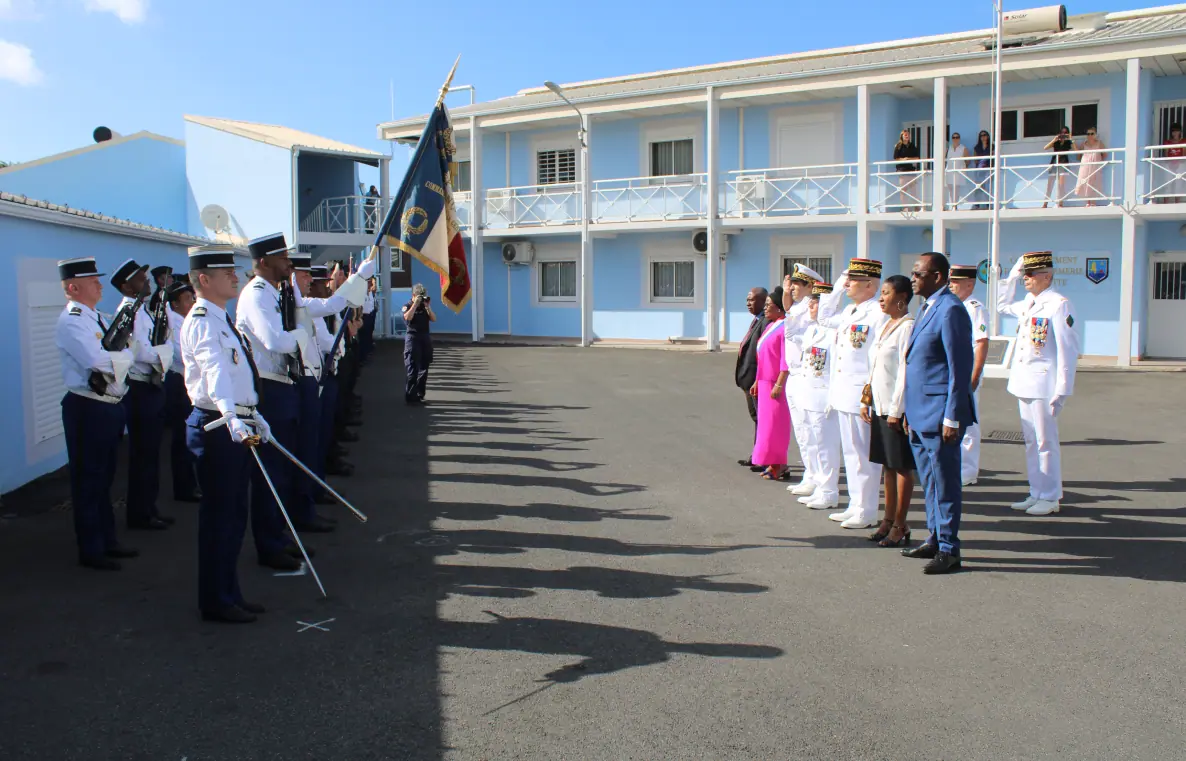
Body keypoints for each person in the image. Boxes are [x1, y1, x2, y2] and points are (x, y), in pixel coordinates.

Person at [181, 243, 271, 623]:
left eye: (234, 271)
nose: (236, 276)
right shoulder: (202, 318)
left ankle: (229, 592)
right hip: (218, 428)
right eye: (226, 273)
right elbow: (214, 371)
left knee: (235, 515)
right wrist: (233, 416)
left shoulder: (219, 316)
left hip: (234, 423)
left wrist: (252, 414)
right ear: (204, 279)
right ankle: (216, 600)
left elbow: (237, 374)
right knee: (221, 518)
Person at [55, 257, 138, 570]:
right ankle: (91, 550)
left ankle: (108, 540)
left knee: (104, 479)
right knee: (89, 481)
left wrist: (122, 355)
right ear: (74, 288)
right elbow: (100, 361)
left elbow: (129, 348)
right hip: (88, 407)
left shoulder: (97, 316)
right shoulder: (73, 320)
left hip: (109, 406)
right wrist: (124, 355)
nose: (100, 285)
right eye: (92, 281)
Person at [236, 233, 311, 570]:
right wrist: (302, 336)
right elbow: (274, 340)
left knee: (283, 470)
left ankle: (278, 535)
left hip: (282, 387)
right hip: (268, 391)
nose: (288, 262)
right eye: (282, 257)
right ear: (264, 262)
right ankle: (268, 545)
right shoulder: (255, 295)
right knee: (270, 472)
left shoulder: (273, 292)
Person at [902, 252, 975, 575]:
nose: (913, 278)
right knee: (929, 482)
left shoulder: (951, 310)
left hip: (940, 414)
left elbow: (959, 369)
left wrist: (952, 416)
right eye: (914, 272)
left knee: (945, 483)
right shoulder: (927, 307)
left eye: (919, 273)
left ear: (937, 276)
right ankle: (934, 537)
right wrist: (907, 410)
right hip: (919, 412)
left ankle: (949, 548)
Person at [998, 251, 1080, 516]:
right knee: (1032, 441)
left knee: (1046, 442)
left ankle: (1051, 495)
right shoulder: (1028, 303)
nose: (1026, 279)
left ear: (1048, 276)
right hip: (1024, 382)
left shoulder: (1058, 304)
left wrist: (1063, 389)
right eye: (1025, 274)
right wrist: (1011, 274)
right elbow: (1000, 305)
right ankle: (1037, 492)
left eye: (1031, 274)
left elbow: (1068, 349)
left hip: (1045, 384)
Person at [817, 258, 888, 529]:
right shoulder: (849, 312)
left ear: (870, 285)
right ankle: (855, 504)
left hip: (862, 395)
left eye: (854, 280)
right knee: (851, 453)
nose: (849, 284)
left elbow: (878, 357)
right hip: (843, 393)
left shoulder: (877, 313)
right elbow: (823, 317)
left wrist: (871, 395)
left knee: (864, 456)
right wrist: (836, 286)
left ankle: (867, 510)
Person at [112, 258, 174, 531]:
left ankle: (149, 508)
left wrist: (163, 351)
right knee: (143, 454)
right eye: (140, 278)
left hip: (150, 385)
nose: (147, 282)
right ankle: (140, 514)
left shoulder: (142, 310)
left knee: (150, 453)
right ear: (127, 286)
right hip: (140, 386)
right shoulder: (129, 311)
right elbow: (139, 351)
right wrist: (165, 354)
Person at [861, 275, 915, 548]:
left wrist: (897, 409)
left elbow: (905, 371)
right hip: (879, 405)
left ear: (902, 299)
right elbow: (875, 368)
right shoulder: (886, 325)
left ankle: (901, 524)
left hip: (896, 409)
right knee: (887, 465)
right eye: (881, 293)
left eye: (886, 293)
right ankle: (888, 518)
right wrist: (866, 399)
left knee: (902, 466)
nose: (881, 298)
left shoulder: (907, 327)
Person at [788, 283, 842, 510]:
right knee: (812, 442)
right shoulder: (812, 329)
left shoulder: (835, 331)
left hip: (825, 396)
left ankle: (829, 491)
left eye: (815, 302)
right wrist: (798, 308)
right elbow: (790, 332)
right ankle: (819, 486)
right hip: (808, 393)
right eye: (810, 302)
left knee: (826, 446)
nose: (810, 306)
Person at [782, 265, 823, 493]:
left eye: (797, 285)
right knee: (801, 430)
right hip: (794, 374)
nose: (793, 288)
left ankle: (818, 477)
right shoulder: (797, 309)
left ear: (810, 286)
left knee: (812, 430)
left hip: (806, 375)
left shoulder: (813, 310)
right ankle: (810, 474)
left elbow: (803, 341)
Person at [948, 265, 989, 486]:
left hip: (967, 373)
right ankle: (957, 465)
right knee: (952, 420)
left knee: (969, 423)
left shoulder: (975, 308)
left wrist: (974, 376)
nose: (951, 285)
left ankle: (969, 470)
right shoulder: (954, 306)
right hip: (952, 373)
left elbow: (981, 343)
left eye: (956, 282)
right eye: (950, 281)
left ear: (970, 284)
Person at [165, 279, 200, 502]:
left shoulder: (185, 321)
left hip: (186, 383)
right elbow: (181, 356)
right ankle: (184, 487)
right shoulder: (175, 324)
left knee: (186, 440)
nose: (192, 302)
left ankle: (189, 484)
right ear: (176, 303)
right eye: (187, 298)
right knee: (182, 440)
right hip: (179, 384)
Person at [750, 287, 790, 481]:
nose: (765, 309)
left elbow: (785, 359)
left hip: (776, 384)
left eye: (768, 305)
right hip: (765, 382)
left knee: (777, 427)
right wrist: (757, 380)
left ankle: (780, 464)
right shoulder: (770, 326)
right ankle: (771, 462)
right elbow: (761, 356)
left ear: (779, 308)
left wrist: (780, 384)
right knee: (767, 427)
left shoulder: (784, 328)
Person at [734, 286, 770, 471]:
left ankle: (761, 457)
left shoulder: (765, 322)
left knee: (761, 419)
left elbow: (762, 354)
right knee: (757, 418)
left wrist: (756, 379)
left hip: (757, 381)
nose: (748, 303)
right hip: (748, 381)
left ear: (764, 301)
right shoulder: (757, 320)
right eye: (747, 300)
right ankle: (757, 455)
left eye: (752, 300)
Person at [403, 283, 436, 405]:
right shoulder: (408, 305)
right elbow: (407, 318)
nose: (421, 299)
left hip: (425, 337)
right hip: (413, 338)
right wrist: (415, 305)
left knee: (424, 367)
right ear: (413, 295)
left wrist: (428, 307)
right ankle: (410, 395)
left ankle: (420, 394)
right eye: (419, 296)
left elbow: (433, 319)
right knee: (412, 367)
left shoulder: (424, 307)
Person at [1042, 126, 1074, 208]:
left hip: (1063, 163)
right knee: (1050, 185)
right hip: (1054, 162)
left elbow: (1076, 150)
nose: (1063, 134)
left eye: (1065, 132)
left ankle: (1060, 203)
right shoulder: (1056, 142)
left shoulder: (1068, 142)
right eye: (1062, 133)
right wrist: (1054, 139)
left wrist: (1071, 139)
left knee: (1061, 185)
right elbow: (1045, 148)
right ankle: (1045, 203)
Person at [1074, 128, 1107, 206]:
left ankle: (1093, 202)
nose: (1090, 136)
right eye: (1088, 134)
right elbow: (1078, 155)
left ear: (1095, 135)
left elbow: (1105, 154)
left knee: (1095, 182)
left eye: (1092, 134)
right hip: (1085, 165)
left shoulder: (1099, 143)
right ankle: (1087, 202)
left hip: (1095, 165)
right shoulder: (1084, 144)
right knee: (1085, 181)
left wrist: (1098, 161)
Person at [893, 129, 921, 211]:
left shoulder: (912, 146)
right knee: (903, 189)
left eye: (908, 135)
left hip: (911, 170)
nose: (907, 136)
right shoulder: (898, 146)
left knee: (913, 189)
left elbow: (917, 157)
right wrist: (903, 159)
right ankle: (905, 207)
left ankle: (916, 206)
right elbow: (896, 158)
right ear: (901, 136)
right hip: (902, 170)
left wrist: (908, 159)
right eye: (905, 135)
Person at [1159, 123, 1186, 203]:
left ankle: (1177, 202)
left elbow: (1184, 154)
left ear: (1180, 132)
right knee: (1168, 183)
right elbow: (1166, 154)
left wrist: (1180, 163)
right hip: (1169, 165)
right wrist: (1169, 163)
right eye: (1173, 131)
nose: (1175, 133)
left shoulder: (1184, 141)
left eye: (1177, 131)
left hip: (1181, 165)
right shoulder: (1167, 142)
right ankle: (1165, 202)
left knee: (1179, 183)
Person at [946, 132, 971, 209]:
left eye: (957, 137)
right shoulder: (948, 148)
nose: (955, 139)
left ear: (959, 138)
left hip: (958, 171)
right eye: (954, 137)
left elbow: (968, 160)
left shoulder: (963, 148)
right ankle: (953, 204)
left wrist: (964, 167)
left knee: (956, 189)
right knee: (950, 188)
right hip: (949, 171)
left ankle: (955, 205)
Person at [971, 131, 994, 210]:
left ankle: (989, 204)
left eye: (985, 135)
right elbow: (975, 160)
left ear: (988, 136)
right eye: (981, 136)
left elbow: (994, 157)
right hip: (979, 170)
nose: (983, 137)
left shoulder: (992, 146)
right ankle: (976, 204)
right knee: (978, 187)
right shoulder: (977, 147)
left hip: (988, 169)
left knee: (988, 187)